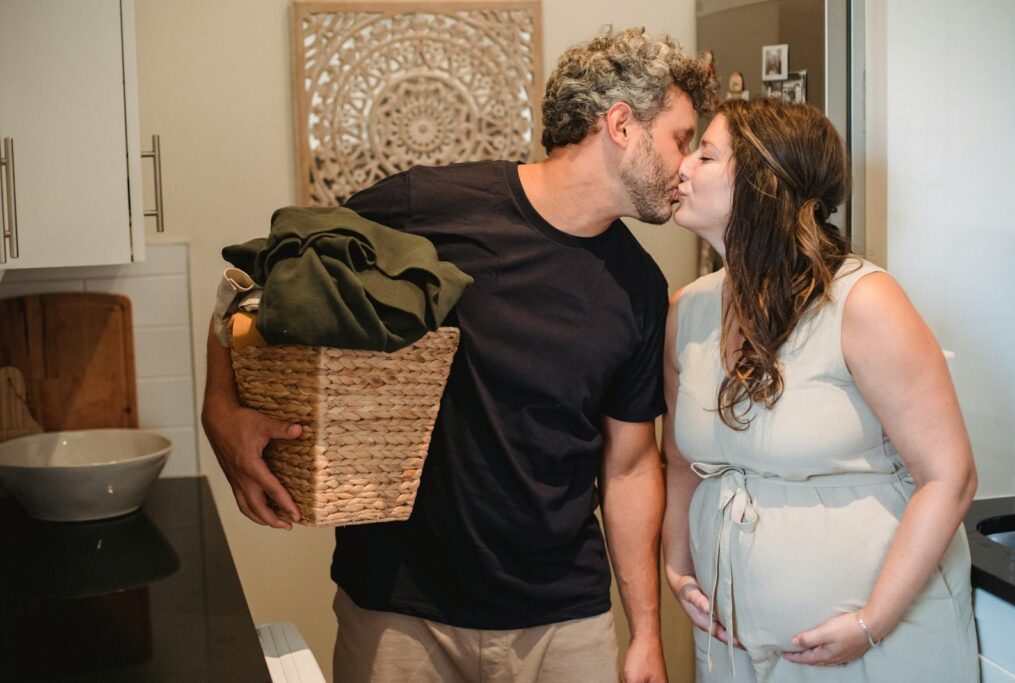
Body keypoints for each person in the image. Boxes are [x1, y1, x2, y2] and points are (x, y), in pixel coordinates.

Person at [202, 27, 717, 683]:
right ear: (620, 124)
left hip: (563, 625)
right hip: (399, 612)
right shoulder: (429, 205)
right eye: (680, 138)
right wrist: (220, 411)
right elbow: (255, 281)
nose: (687, 165)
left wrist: (645, 630)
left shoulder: (639, 288)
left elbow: (629, 465)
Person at [661, 97, 979, 682]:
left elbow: (949, 476)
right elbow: (681, 461)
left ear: (764, 184)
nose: (681, 166)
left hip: (876, 646)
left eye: (706, 155)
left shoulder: (864, 303)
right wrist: (677, 565)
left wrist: (872, 622)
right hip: (733, 649)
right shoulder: (689, 309)